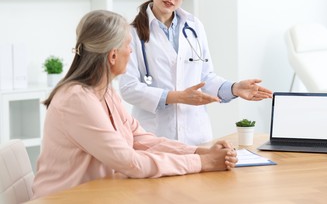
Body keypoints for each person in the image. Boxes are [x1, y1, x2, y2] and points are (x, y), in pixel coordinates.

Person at [31, 10, 237, 199]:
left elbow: (140, 138)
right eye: (128, 46)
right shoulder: (76, 99)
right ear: (113, 56)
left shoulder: (105, 91)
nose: (131, 52)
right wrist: (203, 163)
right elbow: (130, 162)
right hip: (65, 199)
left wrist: (198, 152)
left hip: (100, 194)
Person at [119, 0, 273, 145]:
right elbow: (129, 88)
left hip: (196, 135)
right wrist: (177, 97)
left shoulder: (193, 26)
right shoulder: (130, 32)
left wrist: (234, 88)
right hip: (155, 135)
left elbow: (205, 77)